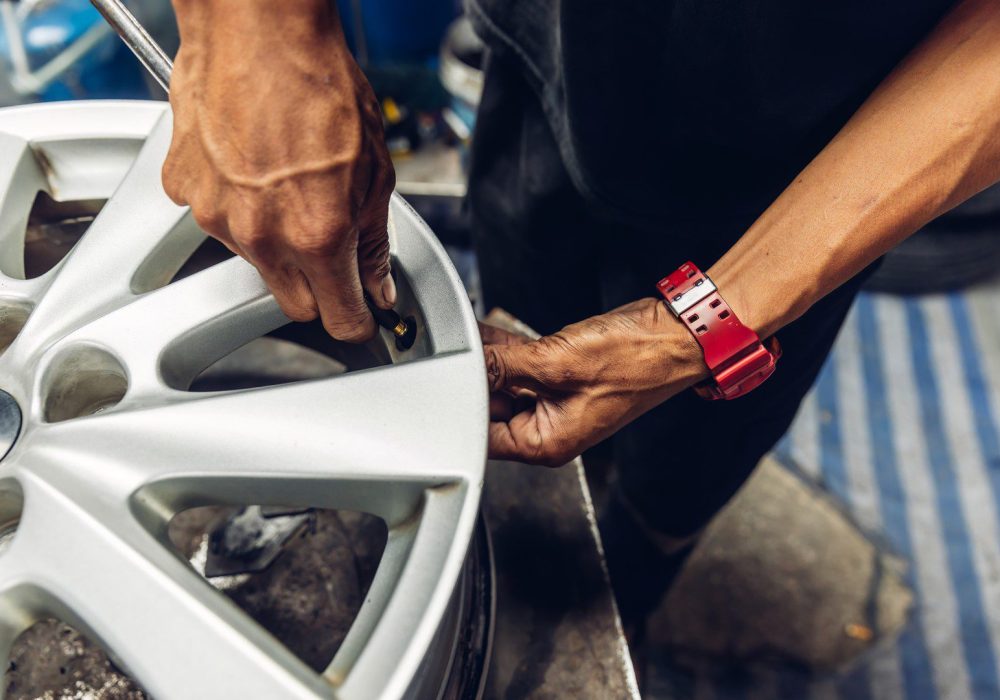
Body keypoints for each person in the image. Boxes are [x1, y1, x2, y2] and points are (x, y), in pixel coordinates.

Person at [163, 0, 1000, 641]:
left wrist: (705, 329)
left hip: (828, 152)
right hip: (548, 58)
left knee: (679, 478)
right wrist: (254, 33)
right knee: (520, 304)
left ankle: (622, 595)